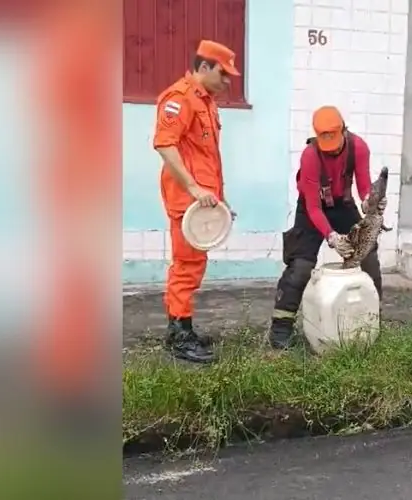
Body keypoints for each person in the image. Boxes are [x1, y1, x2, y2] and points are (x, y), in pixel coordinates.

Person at [269, 106, 387, 350]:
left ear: (344, 129)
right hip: (313, 208)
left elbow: (363, 186)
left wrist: (370, 203)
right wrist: (332, 237)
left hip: (343, 205)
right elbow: (313, 208)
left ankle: (372, 320)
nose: (331, 148)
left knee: (369, 256)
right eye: (326, 142)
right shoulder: (310, 155)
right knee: (300, 266)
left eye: (334, 140)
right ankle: (280, 329)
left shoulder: (359, 147)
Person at [152, 40, 241, 363]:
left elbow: (208, 158)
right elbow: (164, 144)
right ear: (204, 67)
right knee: (187, 266)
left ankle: (182, 326)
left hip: (204, 203)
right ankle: (179, 335)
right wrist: (192, 189)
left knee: (193, 265)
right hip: (187, 201)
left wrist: (221, 200)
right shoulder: (179, 99)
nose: (228, 81)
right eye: (223, 73)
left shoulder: (207, 102)